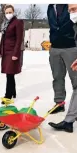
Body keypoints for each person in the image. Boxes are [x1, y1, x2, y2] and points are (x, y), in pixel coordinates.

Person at [49, 4, 77, 133]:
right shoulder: (50, 7)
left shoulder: (71, 5)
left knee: (76, 82)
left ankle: (70, 119)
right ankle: (59, 103)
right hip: (55, 47)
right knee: (57, 77)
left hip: (71, 47)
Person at [0, 5, 24, 100]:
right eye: (6, 12)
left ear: (13, 12)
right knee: (9, 73)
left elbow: (19, 39)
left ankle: (8, 95)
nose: (8, 14)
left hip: (12, 51)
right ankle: (13, 92)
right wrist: (0, 51)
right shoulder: (5, 23)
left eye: (10, 12)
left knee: (9, 73)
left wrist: (16, 53)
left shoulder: (17, 23)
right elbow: (3, 39)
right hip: (6, 51)